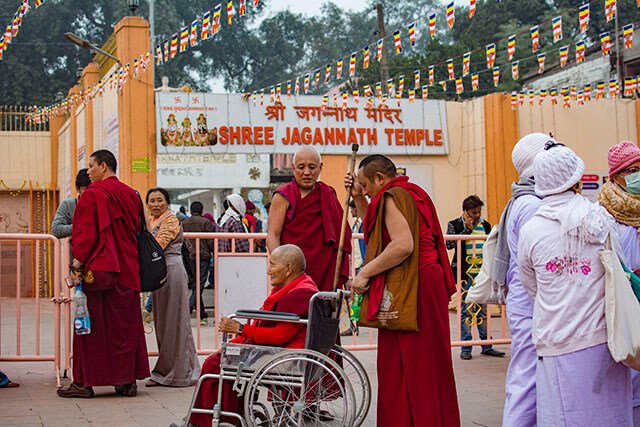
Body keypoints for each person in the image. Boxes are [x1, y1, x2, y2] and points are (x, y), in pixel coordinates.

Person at [518, 142, 632, 425]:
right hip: (603, 340)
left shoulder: (531, 229)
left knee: (562, 415)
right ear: (577, 181)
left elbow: (530, 284)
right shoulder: (599, 218)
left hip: (554, 340)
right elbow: (619, 270)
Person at [346, 154, 460, 426]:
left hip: (413, 284)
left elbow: (402, 245)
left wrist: (365, 272)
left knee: (411, 363)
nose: (366, 191)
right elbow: (377, 228)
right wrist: (359, 199)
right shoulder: (413, 192)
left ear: (380, 179)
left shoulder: (392, 196)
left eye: (366, 185)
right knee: (425, 361)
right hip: (424, 281)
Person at [187, 244, 318, 427]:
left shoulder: (300, 294)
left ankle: (214, 421)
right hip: (279, 351)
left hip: (284, 356)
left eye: (272, 265)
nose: (268, 271)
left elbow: (279, 336)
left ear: (288, 269)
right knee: (223, 357)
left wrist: (241, 329)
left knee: (214, 364)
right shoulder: (299, 287)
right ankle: (223, 417)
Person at [58, 149, 149, 398]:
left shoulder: (93, 195)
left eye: (91, 166)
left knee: (91, 328)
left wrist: (77, 264)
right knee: (125, 328)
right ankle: (126, 381)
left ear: (104, 166)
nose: (88, 171)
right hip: (129, 271)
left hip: (99, 272)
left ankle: (84, 382)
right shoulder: (132, 195)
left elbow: (85, 235)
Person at [501, 133, 549, 427]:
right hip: (530, 298)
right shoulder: (531, 204)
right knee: (527, 377)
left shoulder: (526, 199)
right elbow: (536, 261)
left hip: (527, 297)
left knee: (527, 373)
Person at [267, 147, 351, 292]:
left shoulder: (328, 194)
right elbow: (273, 235)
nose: (307, 172)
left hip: (325, 268)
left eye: (312, 167)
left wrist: (346, 275)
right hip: (293, 270)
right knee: (292, 309)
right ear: (293, 168)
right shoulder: (283, 196)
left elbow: (342, 236)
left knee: (322, 309)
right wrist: (281, 267)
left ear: (320, 168)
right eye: (301, 167)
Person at [598, 140, 640, 424]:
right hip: (624, 300)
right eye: (632, 170)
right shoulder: (603, 215)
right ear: (615, 176)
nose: (638, 176)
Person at [145, 188, 200, 388]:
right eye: (152, 200)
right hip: (158, 273)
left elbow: (157, 244)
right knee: (163, 323)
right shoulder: (150, 220)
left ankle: (179, 373)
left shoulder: (170, 220)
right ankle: (166, 371)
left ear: (167, 202)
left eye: (160, 200)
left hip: (171, 270)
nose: (156, 204)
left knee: (175, 322)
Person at [446, 196, 504, 360]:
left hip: (482, 272)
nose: (477, 215)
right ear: (465, 212)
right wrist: (467, 229)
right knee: (466, 310)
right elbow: (449, 245)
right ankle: (466, 347)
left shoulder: (485, 225)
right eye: (474, 212)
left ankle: (486, 345)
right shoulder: (455, 224)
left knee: (483, 309)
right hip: (465, 273)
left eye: (479, 211)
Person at [182, 201, 215, 324]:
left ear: (190, 210)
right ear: (202, 211)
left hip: (189, 257)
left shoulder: (183, 223)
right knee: (200, 285)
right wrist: (213, 253)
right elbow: (211, 241)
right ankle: (189, 306)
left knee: (196, 285)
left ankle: (202, 314)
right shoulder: (206, 223)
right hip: (203, 257)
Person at [51, 168, 91, 238]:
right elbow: (56, 229)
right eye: (86, 189)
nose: (90, 192)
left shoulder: (101, 204)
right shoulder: (68, 205)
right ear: (77, 189)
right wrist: (81, 227)